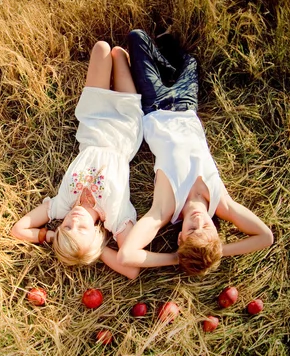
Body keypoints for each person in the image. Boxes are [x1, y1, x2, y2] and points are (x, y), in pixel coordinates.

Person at [10, 40, 176, 279]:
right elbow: (132, 269)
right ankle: (125, 65)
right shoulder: (115, 217)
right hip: (124, 130)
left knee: (101, 48)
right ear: (97, 234)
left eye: (66, 227)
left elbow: (19, 230)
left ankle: (115, 66)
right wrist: (96, 252)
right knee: (118, 55)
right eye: (82, 229)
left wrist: (50, 236)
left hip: (93, 123)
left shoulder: (61, 205)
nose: (74, 221)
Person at [117, 29, 274, 275]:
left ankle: (163, 65)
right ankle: (168, 60)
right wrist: (218, 250)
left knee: (137, 37)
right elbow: (266, 237)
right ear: (217, 234)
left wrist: (176, 258)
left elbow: (126, 255)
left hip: (155, 103)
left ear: (180, 238)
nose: (200, 220)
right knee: (190, 62)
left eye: (191, 230)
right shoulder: (221, 203)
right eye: (208, 229)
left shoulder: (166, 209)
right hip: (187, 103)